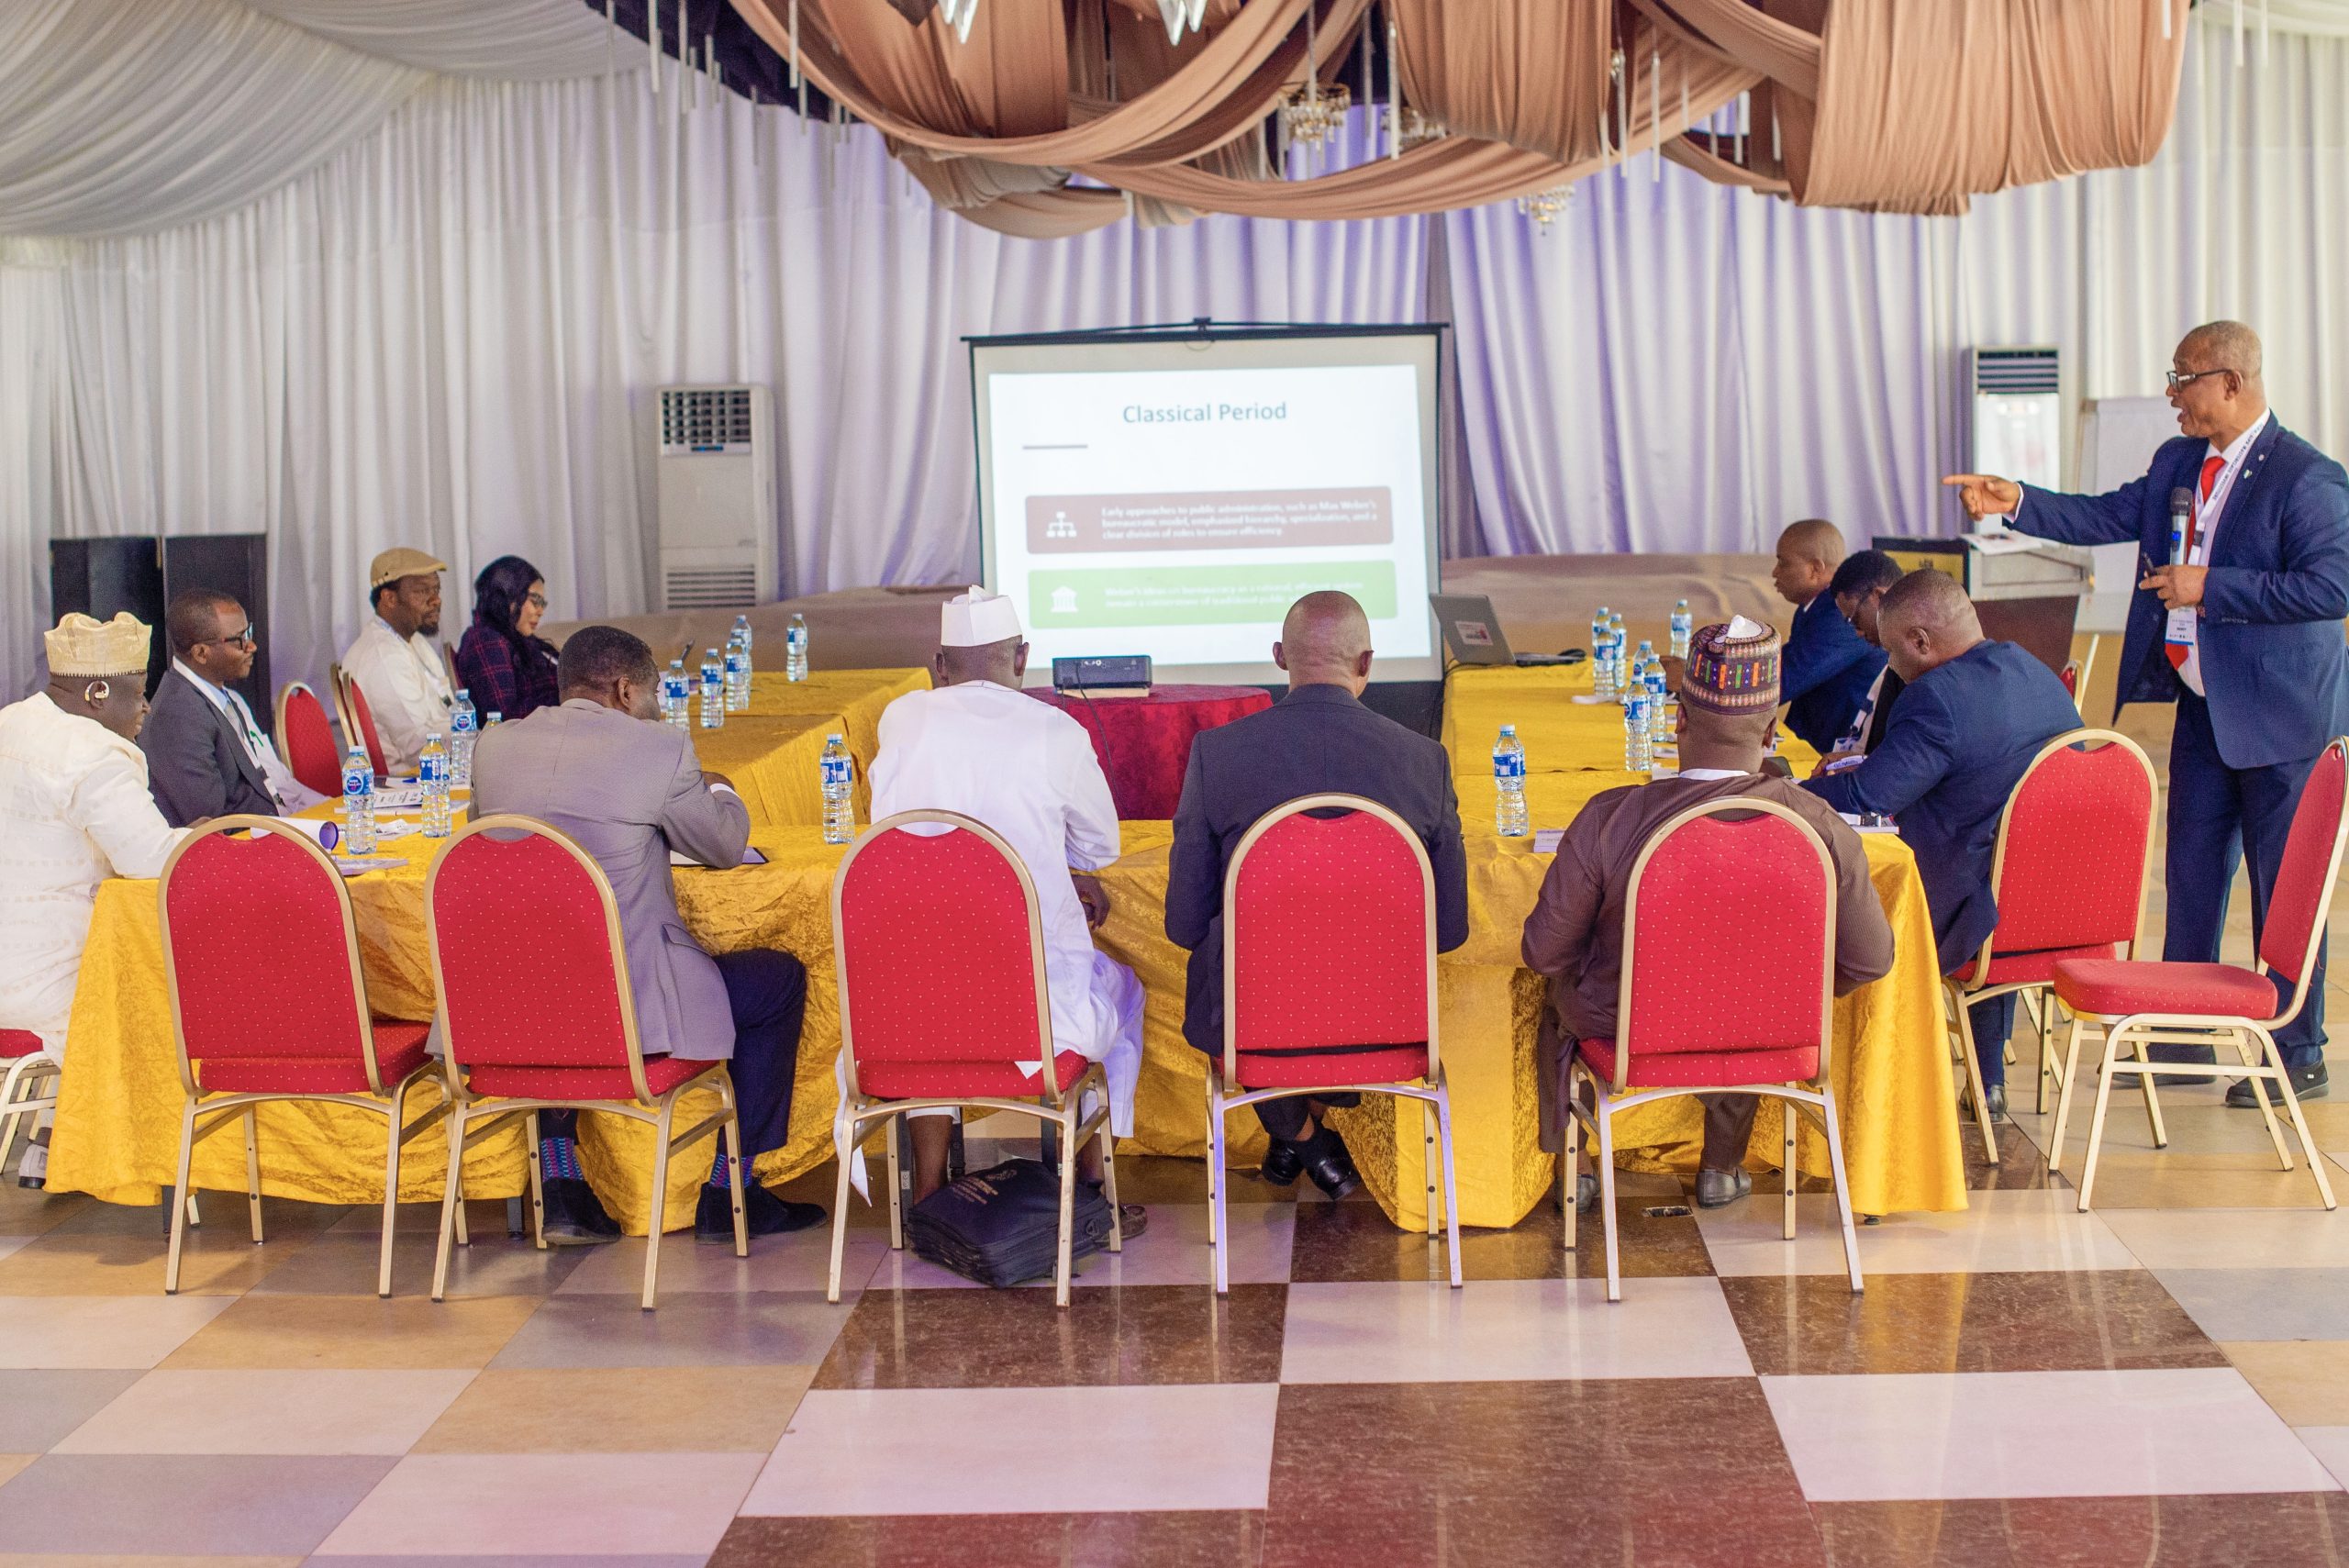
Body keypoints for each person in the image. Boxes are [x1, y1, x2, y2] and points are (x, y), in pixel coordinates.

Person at [1948, 320, 2349, 1106]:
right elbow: (2107, 516)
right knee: (2191, 874)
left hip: (2284, 717)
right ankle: (2179, 1041)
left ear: (2231, 382)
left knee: (2282, 886)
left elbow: (2332, 587)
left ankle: (2298, 1051)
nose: (2172, 396)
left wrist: (2210, 586)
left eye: (2183, 378)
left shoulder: (2306, 477)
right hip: (2204, 706)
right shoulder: (2178, 461)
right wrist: (2016, 502)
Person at [1523, 617, 1893, 1209]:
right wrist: (1791, 990)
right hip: (1770, 1029)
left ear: (1680, 719)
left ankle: (1579, 1168)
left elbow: (1544, 952)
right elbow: (1872, 959)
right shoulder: (1819, 825)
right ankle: (1721, 1167)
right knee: (1744, 993)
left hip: (1625, 1029)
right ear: (1771, 732)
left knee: (1556, 999)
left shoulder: (1610, 818)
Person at [469, 625, 818, 1242]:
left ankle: (560, 1179)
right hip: (625, 1007)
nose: (659, 707)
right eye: (656, 693)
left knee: (554, 968)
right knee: (779, 982)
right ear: (627, 690)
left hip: (514, 1001)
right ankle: (732, 1189)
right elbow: (723, 846)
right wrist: (721, 787)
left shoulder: (494, 747)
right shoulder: (658, 749)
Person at [1166, 591, 1470, 1201]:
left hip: (1256, 1015)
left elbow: (1184, 923)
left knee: (1230, 977)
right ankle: (1307, 1139)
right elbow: (1449, 929)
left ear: (1280, 656)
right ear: (1367, 663)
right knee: (1328, 971)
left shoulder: (1218, 755)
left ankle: (1301, 1139)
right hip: (1383, 1013)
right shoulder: (1425, 761)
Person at [868, 587, 1144, 1210]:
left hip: (914, 1012)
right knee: (1124, 992)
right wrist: (1050, 859)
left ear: (940, 665)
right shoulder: (1056, 730)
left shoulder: (902, 719)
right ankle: (1091, 1180)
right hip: (1036, 1019)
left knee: (933, 997)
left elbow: (891, 831)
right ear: (1022, 658)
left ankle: (930, 1188)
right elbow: (1100, 847)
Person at [1805, 571, 2080, 1118]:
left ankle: (1850, 1089)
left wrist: (1784, 791)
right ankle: (1987, 1078)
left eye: (1892, 652)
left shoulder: (1936, 697)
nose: (1891, 667)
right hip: (2051, 900)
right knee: (1992, 852)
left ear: (1921, 642)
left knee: (1832, 891)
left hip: (1962, 908)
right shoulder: (2035, 671)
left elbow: (1867, 796)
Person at [0, 614, 189, 1186]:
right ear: (98, 692)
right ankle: (172, 1155)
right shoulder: (94, 752)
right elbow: (150, 860)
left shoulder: (10, 722)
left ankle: (52, 1140)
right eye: (139, 691)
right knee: (181, 989)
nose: (146, 707)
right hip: (54, 984)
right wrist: (210, 837)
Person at [141, 590, 325, 826]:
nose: (252, 646)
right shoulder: (176, 716)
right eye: (240, 640)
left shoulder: (217, 696)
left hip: (277, 824)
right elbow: (215, 823)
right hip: (253, 839)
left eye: (248, 633)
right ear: (201, 653)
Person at [1773, 519, 1887, 752]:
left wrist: (1713, 683)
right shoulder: (1815, 607)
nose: (1775, 572)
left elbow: (1782, 680)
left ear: (1815, 568)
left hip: (1841, 753)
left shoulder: (1840, 614)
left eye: (1783, 563)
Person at [341, 548, 453, 774]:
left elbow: (447, 711)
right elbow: (417, 745)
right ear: (389, 599)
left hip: (439, 767)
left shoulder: (411, 640)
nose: (436, 600)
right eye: (422, 591)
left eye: (436, 590)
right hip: (410, 780)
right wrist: (481, 744)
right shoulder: (382, 657)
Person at [1819, 549, 1909, 767]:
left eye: (1855, 619)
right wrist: (1855, 759)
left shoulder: (1918, 669)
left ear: (1880, 597)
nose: (1857, 633)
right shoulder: (1894, 662)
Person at [454, 555, 561, 724]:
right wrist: (568, 697)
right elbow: (503, 717)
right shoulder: (487, 640)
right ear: (507, 597)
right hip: (529, 737)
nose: (540, 611)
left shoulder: (515, 637)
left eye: (543, 603)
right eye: (535, 601)